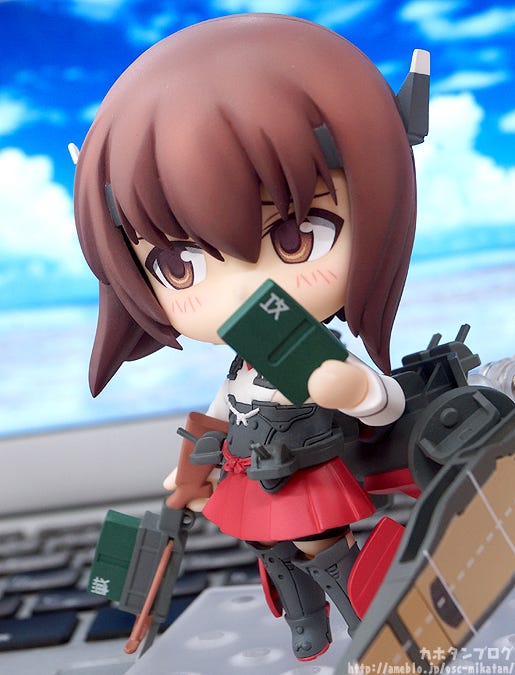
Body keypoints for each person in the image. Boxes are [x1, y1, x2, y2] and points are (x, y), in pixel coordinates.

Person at [74, 13, 426, 660]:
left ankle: (370, 628)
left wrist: (351, 389)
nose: (241, 292)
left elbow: (386, 405)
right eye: (178, 266)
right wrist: (188, 470)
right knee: (270, 548)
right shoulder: (247, 356)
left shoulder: (306, 349)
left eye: (294, 238)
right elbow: (221, 410)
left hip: (304, 467)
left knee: (321, 544)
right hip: (250, 469)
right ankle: (306, 624)